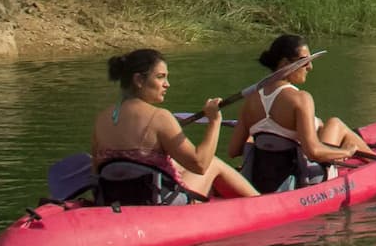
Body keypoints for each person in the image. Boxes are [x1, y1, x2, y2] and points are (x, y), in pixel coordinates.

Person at [92, 48, 257, 203]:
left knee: (176, 164)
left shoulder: (102, 118)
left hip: (113, 199)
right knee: (212, 163)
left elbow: (96, 170)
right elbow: (200, 165)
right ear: (139, 80)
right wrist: (214, 121)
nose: (167, 84)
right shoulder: (160, 117)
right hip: (157, 202)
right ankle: (262, 204)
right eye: (160, 77)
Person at [230, 34, 372, 194]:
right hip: (302, 181)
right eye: (304, 61)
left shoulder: (250, 101)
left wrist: (263, 139)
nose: (310, 67)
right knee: (336, 125)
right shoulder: (300, 99)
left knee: (331, 124)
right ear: (285, 63)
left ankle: (373, 160)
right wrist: (347, 152)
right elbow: (314, 152)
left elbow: (233, 150)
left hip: (259, 182)